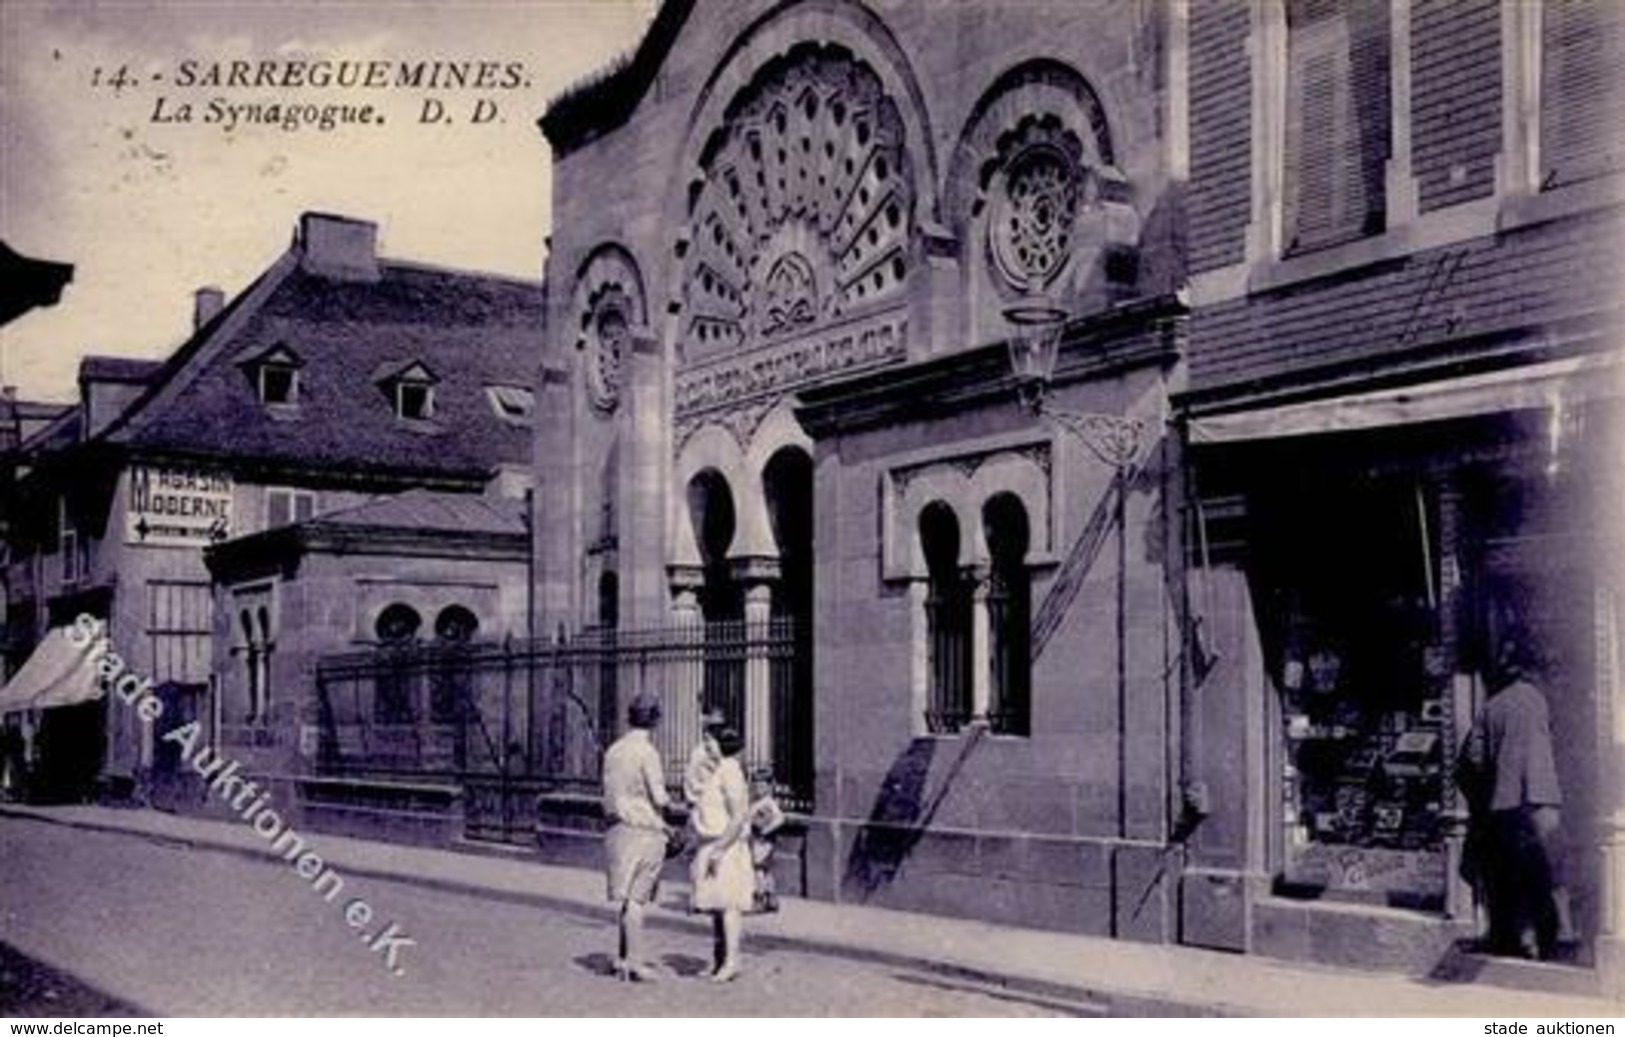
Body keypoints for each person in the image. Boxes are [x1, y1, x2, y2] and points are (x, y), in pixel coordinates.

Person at [1455, 640, 1579, 960]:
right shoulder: (1543, 698)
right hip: (1544, 795)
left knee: (1515, 869)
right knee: (1554, 864)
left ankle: (1523, 940)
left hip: (1505, 800)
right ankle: (1564, 933)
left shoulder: (1491, 707)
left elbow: (1474, 759)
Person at [601, 692, 673, 982]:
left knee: (625, 898)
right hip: (644, 830)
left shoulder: (614, 750)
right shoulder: (648, 752)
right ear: (655, 719)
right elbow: (659, 796)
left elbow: (607, 794)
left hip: (617, 829)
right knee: (637, 899)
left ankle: (622, 958)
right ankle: (635, 962)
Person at [689, 726, 754, 982]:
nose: (706, 748)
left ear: (722, 743)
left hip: (725, 847)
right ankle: (719, 961)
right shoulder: (719, 770)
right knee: (716, 906)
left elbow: (738, 816)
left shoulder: (730, 771)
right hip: (712, 844)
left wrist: (720, 849)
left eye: (709, 742)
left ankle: (731, 962)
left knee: (729, 907)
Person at [746, 766, 786, 914]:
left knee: (758, 870)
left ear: (769, 787)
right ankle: (772, 898)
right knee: (766, 871)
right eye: (755, 785)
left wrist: (765, 830)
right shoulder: (755, 802)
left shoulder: (769, 803)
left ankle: (759, 898)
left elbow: (780, 819)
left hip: (763, 842)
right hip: (756, 841)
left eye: (762, 786)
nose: (758, 789)